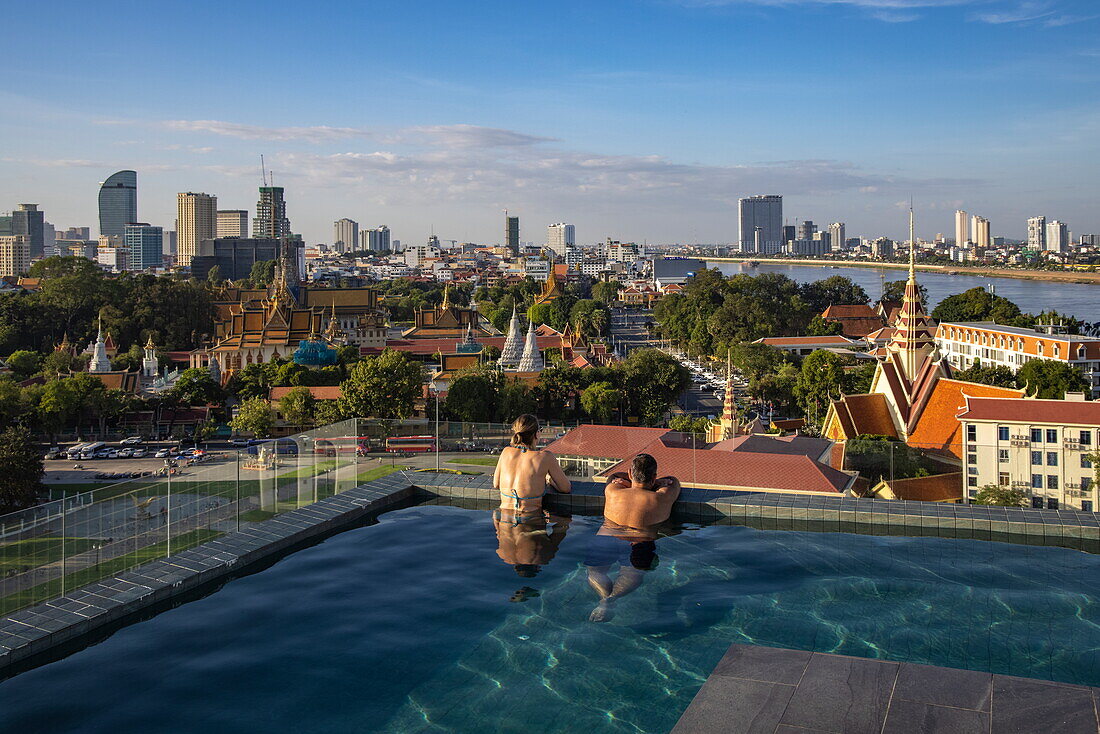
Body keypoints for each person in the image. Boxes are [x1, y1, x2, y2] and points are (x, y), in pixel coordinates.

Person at [585, 453, 680, 622]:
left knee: (594, 572)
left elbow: (614, 476)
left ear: (630, 474)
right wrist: (658, 483)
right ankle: (610, 599)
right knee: (632, 574)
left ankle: (603, 597)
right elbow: (674, 481)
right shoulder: (661, 497)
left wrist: (627, 481)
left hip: (607, 535)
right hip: (639, 541)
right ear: (654, 477)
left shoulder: (612, 490)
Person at [493, 414, 571, 514]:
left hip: (504, 520)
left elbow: (496, 484)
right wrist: (549, 480)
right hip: (530, 521)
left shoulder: (505, 452)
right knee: (564, 524)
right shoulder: (545, 457)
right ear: (536, 434)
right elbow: (565, 488)